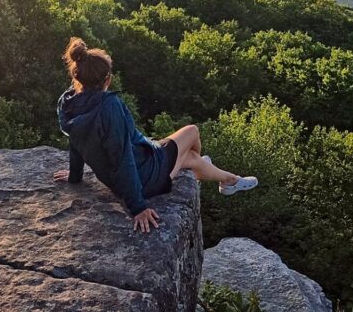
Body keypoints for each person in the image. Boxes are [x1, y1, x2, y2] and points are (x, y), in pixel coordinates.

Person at [54, 37, 258, 233]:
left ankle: (223, 178)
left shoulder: (69, 102)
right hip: (145, 176)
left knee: (191, 157)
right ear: (108, 79)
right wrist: (138, 208)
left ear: (77, 76)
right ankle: (201, 172)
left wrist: (75, 176)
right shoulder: (108, 106)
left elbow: (75, 140)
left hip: (127, 171)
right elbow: (123, 158)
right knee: (192, 131)